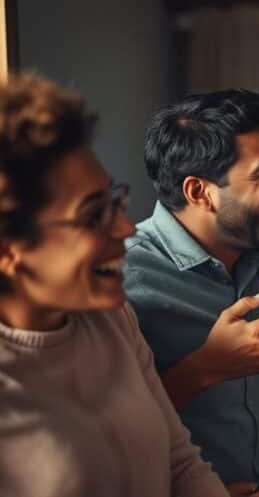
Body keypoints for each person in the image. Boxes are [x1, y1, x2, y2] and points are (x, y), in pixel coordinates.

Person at [0, 73, 230, 497]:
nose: (125, 227)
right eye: (93, 216)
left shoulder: (112, 318)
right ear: (9, 250)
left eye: (113, 201)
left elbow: (179, 462)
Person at [125, 89, 259, 496]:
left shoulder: (256, 251)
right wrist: (208, 366)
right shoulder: (122, 280)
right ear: (199, 192)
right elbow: (103, 433)